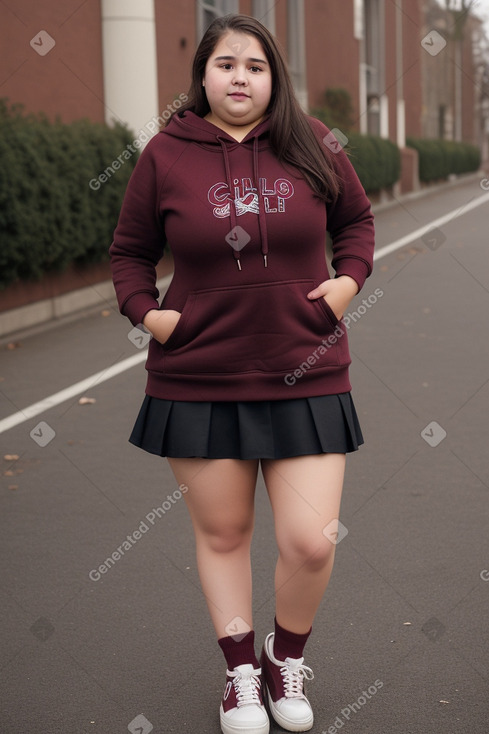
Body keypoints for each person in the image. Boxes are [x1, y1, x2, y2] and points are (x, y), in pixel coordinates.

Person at [110, 13, 375, 734]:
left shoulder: (311, 140)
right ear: (202, 76)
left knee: (310, 540)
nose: (239, 77)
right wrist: (150, 315)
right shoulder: (165, 152)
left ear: (272, 77)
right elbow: (129, 252)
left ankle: (284, 655)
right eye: (225, 64)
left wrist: (348, 281)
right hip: (199, 376)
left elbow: (356, 221)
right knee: (224, 533)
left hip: (306, 366)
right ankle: (238, 675)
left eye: (254, 66)